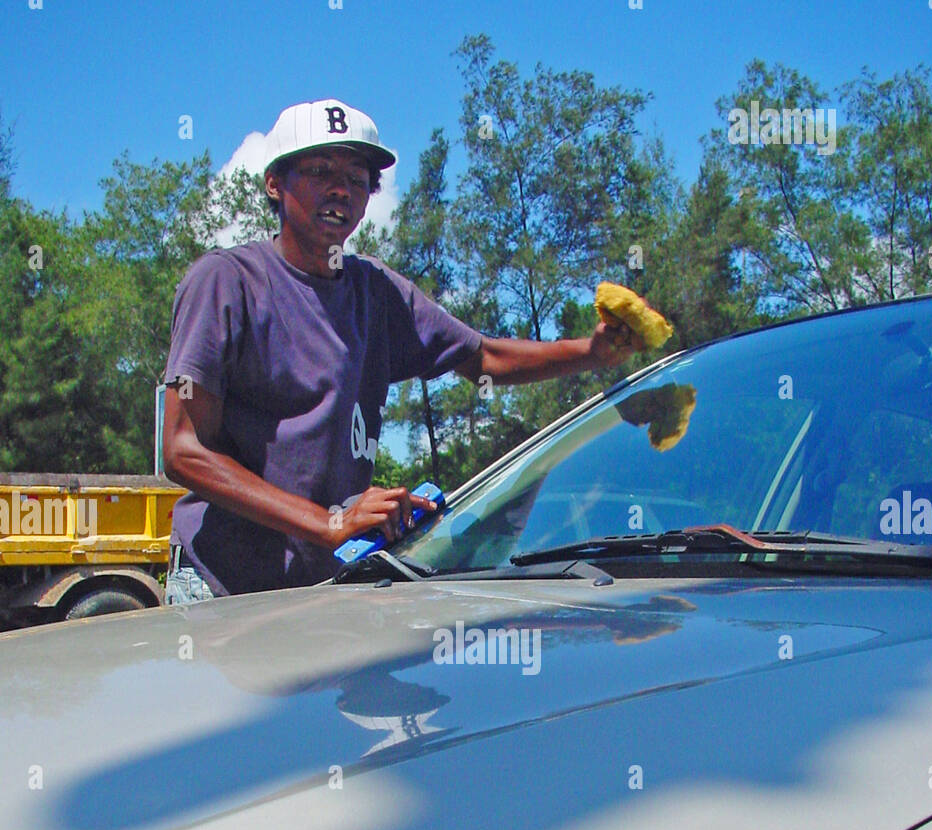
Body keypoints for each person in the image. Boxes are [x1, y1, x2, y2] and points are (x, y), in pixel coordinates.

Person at [162, 99, 637, 602]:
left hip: (320, 588)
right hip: (218, 588)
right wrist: (328, 521)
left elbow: (485, 361)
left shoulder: (377, 292)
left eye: (358, 174)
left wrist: (592, 351)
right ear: (275, 184)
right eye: (320, 170)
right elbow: (183, 449)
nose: (341, 188)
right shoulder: (225, 283)